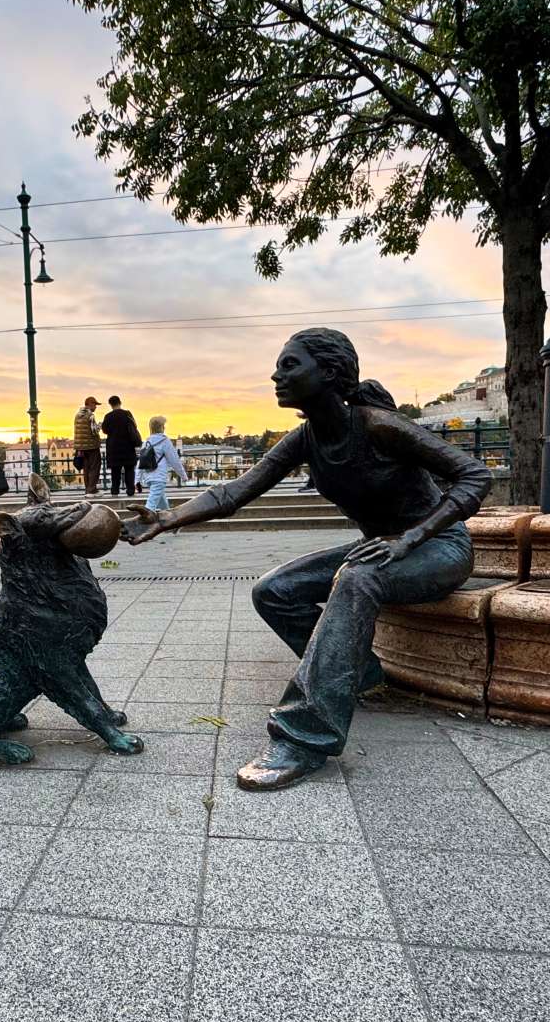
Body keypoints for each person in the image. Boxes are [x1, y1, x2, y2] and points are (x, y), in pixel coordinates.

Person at [124, 328, 489, 791]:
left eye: (290, 364)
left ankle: (303, 736)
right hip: (380, 549)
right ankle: (357, 677)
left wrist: (411, 538)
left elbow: (473, 475)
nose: (276, 375)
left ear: (330, 372)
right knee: (274, 590)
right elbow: (233, 492)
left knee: (357, 579)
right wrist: (166, 517)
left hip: (439, 549)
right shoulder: (305, 438)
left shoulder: (377, 424)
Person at [136, 415, 187, 522]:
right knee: (150, 507)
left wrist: (137, 480)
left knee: (164, 505)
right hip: (159, 477)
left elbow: (140, 462)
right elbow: (174, 461)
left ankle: (173, 524)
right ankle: (142, 528)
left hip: (148, 477)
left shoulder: (146, 442)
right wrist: (183, 476)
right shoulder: (165, 441)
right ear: (162, 427)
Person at [101, 395, 142, 497]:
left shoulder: (108, 416)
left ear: (110, 404)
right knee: (129, 469)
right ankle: (130, 490)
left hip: (114, 447)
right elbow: (134, 427)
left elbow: (105, 430)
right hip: (128, 446)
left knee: (115, 471)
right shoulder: (127, 414)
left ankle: (115, 490)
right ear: (120, 402)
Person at [73, 396, 102, 495]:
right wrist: (100, 426)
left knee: (86, 468)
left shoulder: (77, 415)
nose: (96, 407)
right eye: (95, 404)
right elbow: (94, 431)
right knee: (95, 467)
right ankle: (92, 490)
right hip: (92, 446)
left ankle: (87, 489)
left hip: (81, 448)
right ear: (90, 404)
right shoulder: (90, 415)